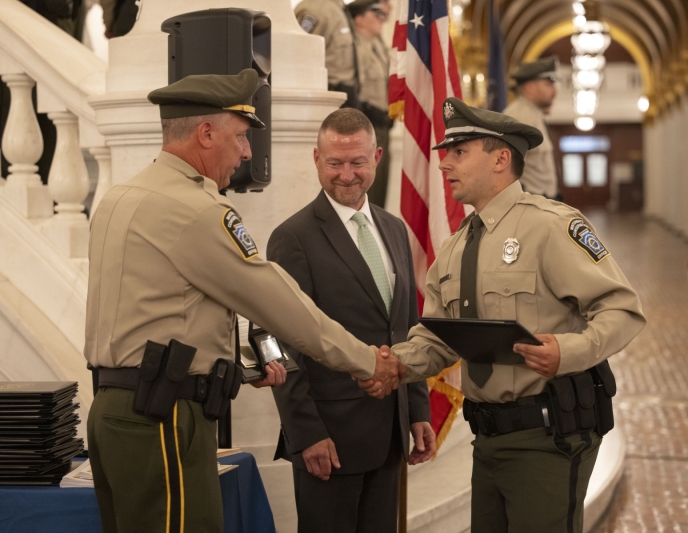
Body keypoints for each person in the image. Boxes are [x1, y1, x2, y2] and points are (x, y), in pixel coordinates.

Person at [84, 69, 403, 533]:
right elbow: (283, 308)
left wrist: (240, 363)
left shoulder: (119, 197)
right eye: (240, 136)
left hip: (115, 412)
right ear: (206, 133)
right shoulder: (196, 210)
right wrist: (367, 362)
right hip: (164, 419)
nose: (249, 152)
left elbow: (162, 310)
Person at [362, 97, 646, 532]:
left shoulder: (551, 226)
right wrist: (398, 364)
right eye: (445, 154)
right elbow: (439, 338)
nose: (444, 166)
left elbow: (622, 309)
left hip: (548, 437)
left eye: (459, 153)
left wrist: (566, 351)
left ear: (500, 158)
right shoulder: (457, 246)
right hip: (489, 440)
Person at [268, 108, 435, 533]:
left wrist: (416, 409)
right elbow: (285, 344)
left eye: (357, 162)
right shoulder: (293, 238)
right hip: (330, 441)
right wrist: (305, 433)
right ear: (316, 159)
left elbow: (407, 327)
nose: (346, 175)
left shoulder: (394, 229)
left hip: (391, 432)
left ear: (376, 157)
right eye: (334, 163)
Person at [347, 0, 393, 208]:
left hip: (383, 123)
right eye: (376, 15)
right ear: (360, 18)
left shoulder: (379, 47)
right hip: (368, 120)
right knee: (369, 185)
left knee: (381, 183)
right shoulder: (355, 46)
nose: (382, 20)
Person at [503, 56, 560, 200]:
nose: (554, 91)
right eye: (548, 84)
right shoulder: (520, 116)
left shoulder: (534, 114)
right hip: (529, 203)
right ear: (529, 87)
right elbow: (506, 169)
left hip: (541, 202)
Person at [295, 0, 360, 109]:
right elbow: (301, 53)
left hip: (344, 97)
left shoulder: (338, 8)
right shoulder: (316, 8)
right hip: (325, 97)